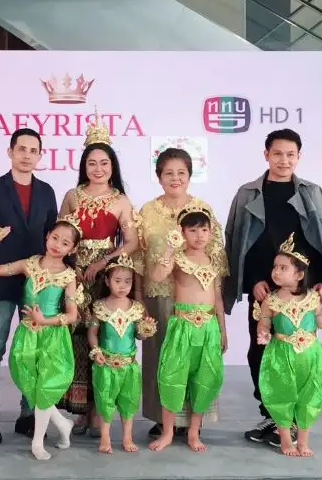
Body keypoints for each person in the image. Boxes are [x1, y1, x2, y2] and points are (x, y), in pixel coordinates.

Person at [224, 128, 322, 447]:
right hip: (264, 292)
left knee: (301, 355)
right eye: (277, 153)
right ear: (266, 154)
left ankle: (296, 420)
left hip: (304, 291)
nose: (284, 160)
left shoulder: (313, 193)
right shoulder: (247, 194)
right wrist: (252, 281)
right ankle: (272, 415)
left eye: (290, 154)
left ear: (299, 156)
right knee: (261, 352)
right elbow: (237, 243)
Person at [0, 128, 58, 445]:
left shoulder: (46, 192)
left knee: (31, 352)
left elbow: (53, 237)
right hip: (2, 283)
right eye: (21, 149)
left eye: (33, 150)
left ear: (40, 156)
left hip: (37, 286)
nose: (26, 155)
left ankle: (27, 413)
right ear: (10, 152)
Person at [134, 148, 226, 439]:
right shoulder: (147, 211)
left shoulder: (203, 208)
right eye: (168, 173)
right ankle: (163, 420)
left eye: (181, 173)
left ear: (189, 175)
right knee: (161, 358)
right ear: (159, 176)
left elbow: (215, 257)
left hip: (195, 298)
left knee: (197, 361)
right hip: (157, 294)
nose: (175, 178)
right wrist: (138, 298)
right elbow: (138, 257)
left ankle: (192, 423)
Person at [57, 117, 139, 437]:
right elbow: (61, 234)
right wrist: (70, 268)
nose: (98, 168)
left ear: (112, 166)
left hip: (105, 276)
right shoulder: (72, 196)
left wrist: (104, 261)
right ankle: (81, 410)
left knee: (102, 335)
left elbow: (131, 242)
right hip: (74, 274)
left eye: (104, 163)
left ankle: (100, 413)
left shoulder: (121, 200)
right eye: (92, 163)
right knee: (78, 337)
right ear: (84, 166)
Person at [0, 219, 81, 460]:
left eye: (65, 243)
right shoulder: (29, 264)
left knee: (45, 387)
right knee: (31, 384)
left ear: (73, 249)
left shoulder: (68, 276)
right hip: (27, 334)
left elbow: (72, 316)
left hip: (52, 338)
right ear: (47, 236)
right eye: (55, 238)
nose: (57, 245)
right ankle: (63, 424)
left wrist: (45, 320)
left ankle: (37, 443)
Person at [255, 233, 322, 457]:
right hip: (281, 355)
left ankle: (303, 441)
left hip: (310, 355)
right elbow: (264, 322)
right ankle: (285, 440)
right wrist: (263, 334)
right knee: (281, 394)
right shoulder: (271, 300)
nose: (276, 272)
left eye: (283, 268)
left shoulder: (312, 298)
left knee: (310, 395)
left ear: (299, 274)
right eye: (275, 267)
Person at [148, 208, 227, 453]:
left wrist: (222, 330)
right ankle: (168, 432)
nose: (199, 235)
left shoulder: (213, 261)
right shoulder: (178, 258)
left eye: (204, 230)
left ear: (211, 232)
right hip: (182, 326)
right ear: (182, 233)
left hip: (208, 327)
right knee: (172, 375)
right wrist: (169, 249)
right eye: (192, 230)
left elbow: (218, 298)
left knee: (204, 378)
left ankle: (193, 432)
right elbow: (156, 276)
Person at [87, 254, 156, 455]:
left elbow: (139, 336)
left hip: (128, 366)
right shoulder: (99, 307)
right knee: (105, 401)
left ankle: (127, 437)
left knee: (129, 401)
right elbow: (92, 333)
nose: (123, 286)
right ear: (107, 281)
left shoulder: (136, 309)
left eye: (127, 281)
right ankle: (105, 437)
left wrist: (145, 330)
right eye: (117, 281)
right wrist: (96, 350)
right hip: (106, 365)